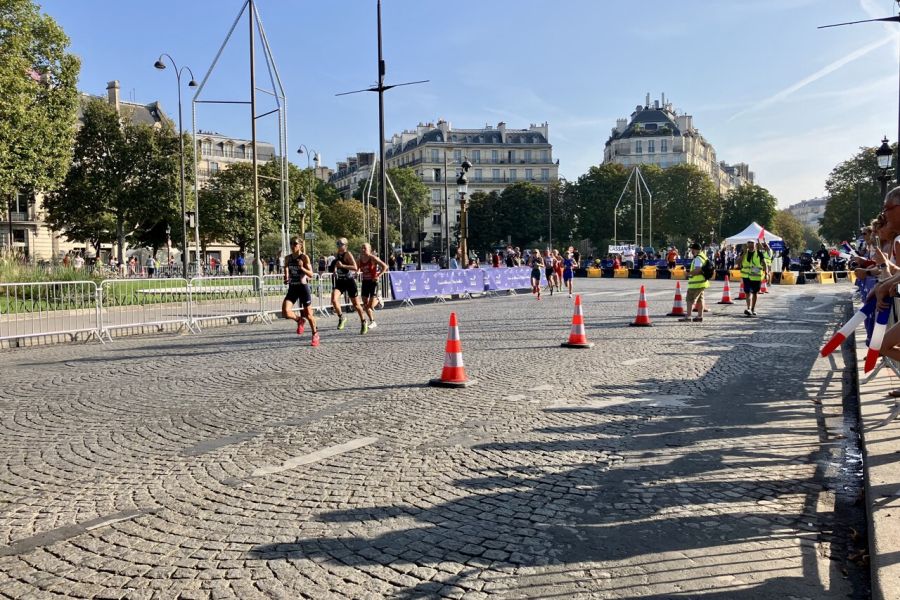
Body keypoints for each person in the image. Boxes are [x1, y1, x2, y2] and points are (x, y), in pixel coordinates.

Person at [282, 238, 319, 346]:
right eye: (291, 244)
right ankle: (299, 320)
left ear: (300, 246)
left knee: (308, 314)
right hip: (293, 288)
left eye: (295, 244)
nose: (292, 246)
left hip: (303, 288)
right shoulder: (288, 258)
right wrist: (286, 278)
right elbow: (286, 269)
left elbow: (311, 274)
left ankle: (315, 334)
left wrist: (301, 267)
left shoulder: (304, 257)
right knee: (285, 312)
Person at [330, 238, 368, 334]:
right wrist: (335, 269)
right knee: (334, 300)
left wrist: (342, 266)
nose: (338, 245)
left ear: (345, 245)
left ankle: (363, 321)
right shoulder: (337, 254)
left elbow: (355, 267)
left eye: (340, 244)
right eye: (337, 243)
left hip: (349, 281)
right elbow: (336, 264)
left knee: (356, 305)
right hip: (340, 281)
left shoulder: (348, 254)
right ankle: (341, 317)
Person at [358, 243, 388, 330]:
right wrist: (356, 272)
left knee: (370, 306)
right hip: (365, 283)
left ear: (369, 249)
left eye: (365, 248)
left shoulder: (373, 258)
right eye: (362, 248)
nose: (363, 250)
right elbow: (357, 267)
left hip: (373, 282)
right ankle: (372, 321)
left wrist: (378, 275)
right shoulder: (360, 259)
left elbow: (385, 266)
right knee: (365, 304)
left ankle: (378, 300)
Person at [681, 242, 710, 322]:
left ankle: (688, 316)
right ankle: (700, 316)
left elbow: (698, 270)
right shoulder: (703, 256)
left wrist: (687, 273)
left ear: (696, 250)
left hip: (696, 284)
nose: (691, 251)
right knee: (700, 299)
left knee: (689, 299)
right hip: (702, 282)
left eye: (692, 250)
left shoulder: (697, 258)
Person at [739, 239, 767, 316]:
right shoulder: (744, 253)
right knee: (747, 292)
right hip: (746, 276)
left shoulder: (759, 253)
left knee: (755, 293)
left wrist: (766, 273)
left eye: (752, 243)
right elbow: (738, 262)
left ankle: (753, 309)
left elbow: (765, 263)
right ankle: (748, 308)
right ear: (747, 245)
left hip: (756, 276)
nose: (751, 245)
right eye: (749, 243)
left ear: (755, 245)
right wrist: (743, 254)